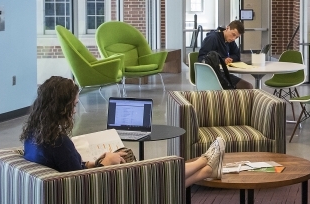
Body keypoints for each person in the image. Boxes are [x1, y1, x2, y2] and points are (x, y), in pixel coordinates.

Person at [21, 76, 226, 187]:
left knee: (157, 176)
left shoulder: (34, 136)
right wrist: (106, 165)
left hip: (91, 179)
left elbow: (71, 168)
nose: (74, 111)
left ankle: (208, 169)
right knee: (161, 174)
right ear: (61, 107)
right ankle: (204, 160)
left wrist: (98, 161)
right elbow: (79, 181)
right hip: (101, 187)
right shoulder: (59, 141)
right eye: (73, 106)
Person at [198, 20, 253, 89]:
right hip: (212, 74)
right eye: (233, 34)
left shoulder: (230, 40)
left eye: (237, 37)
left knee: (247, 86)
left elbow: (237, 55)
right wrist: (223, 60)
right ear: (227, 28)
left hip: (222, 73)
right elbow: (202, 58)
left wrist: (229, 59)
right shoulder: (213, 38)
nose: (233, 39)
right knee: (247, 87)